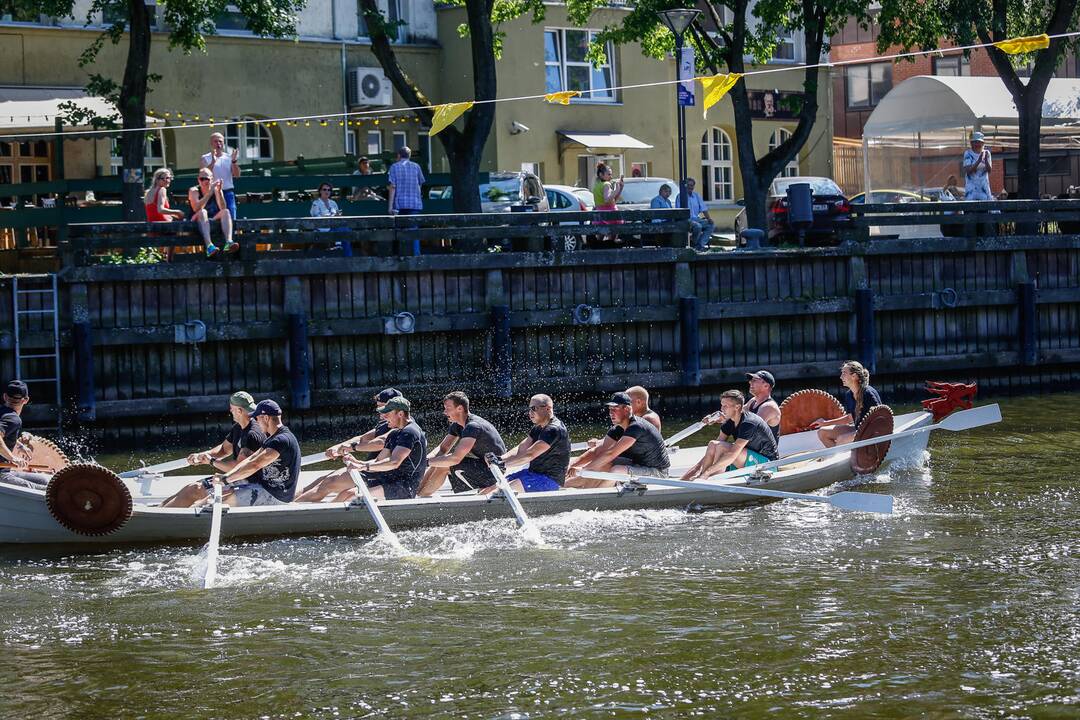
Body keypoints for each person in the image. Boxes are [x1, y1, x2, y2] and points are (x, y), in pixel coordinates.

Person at [294, 388, 403, 503]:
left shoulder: (403, 426)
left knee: (329, 483)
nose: (380, 413)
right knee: (321, 480)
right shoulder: (386, 423)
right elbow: (363, 438)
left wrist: (352, 447)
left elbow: (380, 443)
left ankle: (291, 513)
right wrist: (339, 446)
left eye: (383, 408)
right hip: (368, 467)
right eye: (378, 408)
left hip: (381, 472)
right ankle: (286, 504)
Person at [160, 391, 267, 508]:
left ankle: (160, 518)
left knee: (194, 490)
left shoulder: (252, 434)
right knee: (191, 487)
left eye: (231, 408)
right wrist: (202, 455)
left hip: (248, 481)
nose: (230, 411)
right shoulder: (239, 427)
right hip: (236, 477)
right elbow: (224, 450)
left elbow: (238, 467)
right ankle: (159, 510)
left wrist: (211, 461)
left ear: (239, 411)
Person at [200, 400, 302, 507]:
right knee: (212, 497)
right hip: (263, 488)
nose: (256, 422)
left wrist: (225, 480)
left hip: (276, 496)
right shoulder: (272, 438)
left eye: (257, 418)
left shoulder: (281, 440)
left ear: (266, 418)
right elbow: (250, 459)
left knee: (216, 503)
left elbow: (255, 465)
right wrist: (226, 476)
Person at [565, 392, 670, 489]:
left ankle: (597, 498)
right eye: (610, 409)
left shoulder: (637, 427)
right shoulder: (617, 429)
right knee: (604, 464)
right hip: (637, 465)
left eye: (615, 409)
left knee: (616, 470)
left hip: (657, 472)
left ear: (627, 409)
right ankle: (564, 485)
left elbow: (610, 453)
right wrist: (572, 466)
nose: (611, 413)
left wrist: (584, 470)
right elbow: (599, 452)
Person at [339, 396, 428, 501]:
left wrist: (363, 467)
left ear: (400, 414)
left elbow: (394, 462)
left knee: (351, 496)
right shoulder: (394, 433)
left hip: (404, 487)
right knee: (346, 494)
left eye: (387, 414)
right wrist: (359, 463)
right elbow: (378, 461)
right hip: (389, 479)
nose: (384, 417)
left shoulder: (410, 432)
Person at [417, 391, 507, 496]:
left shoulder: (473, 426)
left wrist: (426, 462)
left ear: (460, 408)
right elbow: (442, 449)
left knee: (444, 465)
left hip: (495, 471)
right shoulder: (457, 425)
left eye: (448, 408)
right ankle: (418, 494)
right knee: (438, 461)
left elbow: (455, 459)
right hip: (483, 465)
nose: (445, 412)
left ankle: (421, 498)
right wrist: (422, 460)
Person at [479, 394, 570, 495]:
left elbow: (529, 455)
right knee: (487, 490)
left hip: (549, 480)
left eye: (533, 408)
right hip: (532, 473)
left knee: (499, 492)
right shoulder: (538, 428)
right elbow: (521, 449)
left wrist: (503, 465)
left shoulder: (554, 429)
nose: (530, 413)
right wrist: (499, 459)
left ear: (548, 409)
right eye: (529, 409)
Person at [681, 389, 779, 481]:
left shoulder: (749, 423)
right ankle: (704, 478)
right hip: (747, 459)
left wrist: (707, 473)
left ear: (737, 407)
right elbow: (714, 448)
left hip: (768, 464)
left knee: (722, 447)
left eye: (725, 406)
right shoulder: (729, 423)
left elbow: (732, 455)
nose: (721, 409)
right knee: (713, 444)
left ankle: (712, 478)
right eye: (721, 405)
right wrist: (698, 470)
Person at [812, 360, 883, 448]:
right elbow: (849, 418)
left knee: (842, 439)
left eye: (844, 373)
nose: (841, 377)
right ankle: (838, 458)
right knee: (822, 432)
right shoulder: (849, 394)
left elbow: (880, 418)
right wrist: (825, 423)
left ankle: (837, 458)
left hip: (873, 431)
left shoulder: (868, 393)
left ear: (854, 376)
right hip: (859, 429)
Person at [0, 380, 51, 489]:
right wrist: (13, 458)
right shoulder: (13, 418)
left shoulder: (3, 413)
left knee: (47, 480)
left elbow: (4, 437)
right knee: (47, 489)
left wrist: (19, 445)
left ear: (5, 397)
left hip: (6, 471)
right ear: (26, 400)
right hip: (2, 474)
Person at [188, 168, 237, 257]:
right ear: (198, 179)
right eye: (201, 179)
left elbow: (222, 207)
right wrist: (209, 193)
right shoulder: (194, 190)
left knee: (226, 211)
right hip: (196, 219)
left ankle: (228, 242)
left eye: (206, 179)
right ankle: (209, 246)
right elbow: (196, 209)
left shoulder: (215, 189)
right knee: (203, 212)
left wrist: (219, 192)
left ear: (212, 179)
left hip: (211, 219)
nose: (204, 181)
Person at [199, 132, 240, 219]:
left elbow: (237, 175)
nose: (218, 144)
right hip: (212, 193)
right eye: (216, 141)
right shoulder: (205, 158)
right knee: (213, 218)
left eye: (220, 141)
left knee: (231, 216)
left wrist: (234, 161)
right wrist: (213, 162)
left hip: (227, 191)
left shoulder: (228, 157)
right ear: (211, 143)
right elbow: (203, 175)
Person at [744, 370, 781, 443]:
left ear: (766, 386)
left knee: (721, 447)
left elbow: (751, 430)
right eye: (751, 380)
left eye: (754, 380)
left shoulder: (769, 407)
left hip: (765, 453)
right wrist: (724, 418)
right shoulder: (753, 401)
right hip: (752, 448)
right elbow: (737, 414)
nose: (750, 382)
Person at [387, 146, 425, 217]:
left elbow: (392, 187)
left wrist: (390, 207)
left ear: (399, 155)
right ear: (409, 155)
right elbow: (420, 184)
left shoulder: (394, 167)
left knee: (401, 226)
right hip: (415, 204)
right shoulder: (416, 166)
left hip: (400, 205)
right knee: (413, 226)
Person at [592, 162, 624, 243]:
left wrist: (620, 189)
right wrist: (616, 190)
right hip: (610, 214)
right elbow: (607, 199)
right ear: (601, 175)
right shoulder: (606, 184)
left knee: (599, 240)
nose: (611, 176)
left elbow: (612, 200)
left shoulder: (597, 185)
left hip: (600, 214)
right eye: (609, 174)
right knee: (613, 239)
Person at [684, 178, 715, 250]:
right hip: (687, 219)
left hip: (696, 218)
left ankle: (700, 245)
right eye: (688, 185)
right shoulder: (680, 196)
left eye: (691, 185)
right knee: (698, 226)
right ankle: (694, 244)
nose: (690, 187)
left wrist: (709, 218)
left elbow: (704, 209)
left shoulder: (697, 196)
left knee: (710, 225)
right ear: (685, 186)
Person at [962, 131, 993, 202]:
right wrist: (978, 161)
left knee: (985, 210)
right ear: (972, 143)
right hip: (971, 190)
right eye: (975, 142)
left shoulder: (987, 153)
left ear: (983, 143)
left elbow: (989, 170)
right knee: (971, 210)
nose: (978, 144)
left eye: (980, 142)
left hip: (984, 189)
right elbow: (968, 171)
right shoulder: (968, 153)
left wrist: (986, 160)